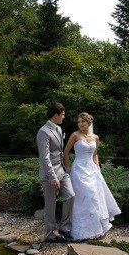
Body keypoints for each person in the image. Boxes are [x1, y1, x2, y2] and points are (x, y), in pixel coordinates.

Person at [63, 112, 121, 241]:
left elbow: (95, 154)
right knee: (84, 197)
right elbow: (65, 153)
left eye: (83, 121)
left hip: (92, 169)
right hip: (78, 170)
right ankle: (82, 230)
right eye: (78, 122)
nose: (80, 124)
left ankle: (96, 228)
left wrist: (98, 167)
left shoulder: (95, 137)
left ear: (89, 122)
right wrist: (67, 169)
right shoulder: (75, 135)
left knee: (95, 197)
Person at [37, 102, 75, 243]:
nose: (64, 117)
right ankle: (49, 234)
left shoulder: (58, 129)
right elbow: (45, 156)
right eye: (63, 114)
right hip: (49, 174)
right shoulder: (43, 131)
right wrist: (52, 176)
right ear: (56, 115)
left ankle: (64, 228)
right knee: (50, 204)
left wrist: (67, 168)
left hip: (62, 170)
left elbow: (59, 152)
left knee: (71, 195)